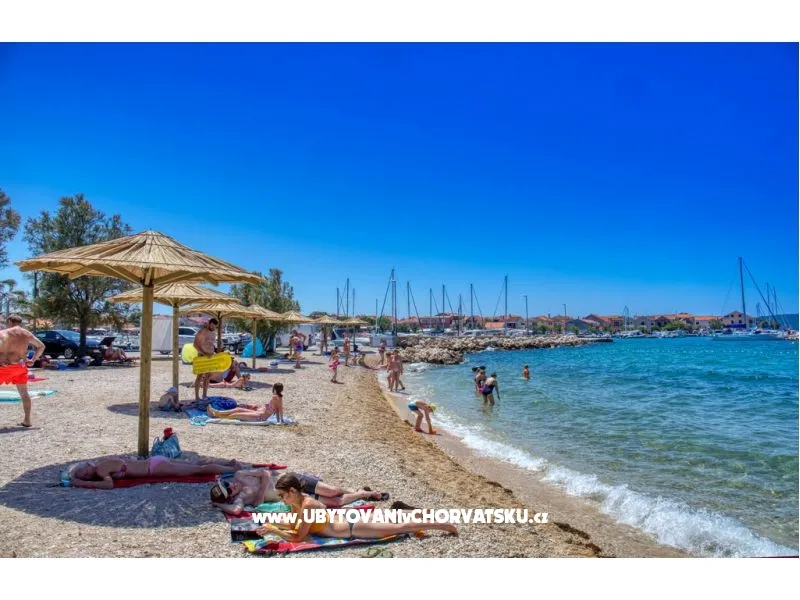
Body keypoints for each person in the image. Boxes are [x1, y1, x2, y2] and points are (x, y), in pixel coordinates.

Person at [255, 472, 457, 541]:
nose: (281, 500)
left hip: (352, 528)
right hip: (348, 519)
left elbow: (299, 537)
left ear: (292, 491)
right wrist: (271, 523)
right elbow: (294, 525)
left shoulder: (307, 506)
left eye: (282, 495)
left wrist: (274, 530)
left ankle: (442, 525)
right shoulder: (297, 503)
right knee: (391, 518)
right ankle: (420, 514)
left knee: (400, 528)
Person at [68, 456, 247, 489]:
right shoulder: (103, 464)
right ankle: (227, 463)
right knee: (194, 465)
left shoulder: (101, 469)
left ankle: (233, 469)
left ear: (87, 465)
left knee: (198, 470)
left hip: (154, 468)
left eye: (84, 473)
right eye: (85, 477)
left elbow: (109, 485)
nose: (87, 476)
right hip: (155, 462)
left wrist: (81, 483)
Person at [0, 314, 46, 428]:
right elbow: (41, 346)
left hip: (4, 367)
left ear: (10, 322)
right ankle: (27, 420)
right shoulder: (27, 334)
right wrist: (33, 359)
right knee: (24, 394)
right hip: (19, 366)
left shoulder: (3, 333)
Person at [294, 471, 389, 507]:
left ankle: (355, 492)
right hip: (293, 494)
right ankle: (361, 494)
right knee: (337, 502)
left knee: (333, 491)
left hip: (295, 481)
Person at [210, 467, 280, 516]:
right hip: (281, 496)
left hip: (280, 480)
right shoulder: (240, 497)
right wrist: (218, 504)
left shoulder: (239, 475)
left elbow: (265, 472)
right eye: (229, 491)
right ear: (230, 497)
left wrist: (261, 494)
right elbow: (235, 510)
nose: (230, 487)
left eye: (226, 484)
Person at [207, 384, 283, 422]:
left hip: (260, 417)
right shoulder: (277, 397)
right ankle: (217, 412)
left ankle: (216, 415)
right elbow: (278, 410)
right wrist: (278, 420)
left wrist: (280, 420)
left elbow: (280, 409)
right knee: (238, 409)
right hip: (258, 413)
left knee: (236, 415)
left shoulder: (275, 398)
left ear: (274, 389)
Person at [193, 318, 218, 402]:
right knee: (199, 376)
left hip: (210, 357)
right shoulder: (202, 332)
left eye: (214, 326)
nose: (213, 327)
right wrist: (204, 353)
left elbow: (211, 345)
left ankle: (204, 395)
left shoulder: (214, 333)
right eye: (212, 326)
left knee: (208, 377)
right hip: (202, 357)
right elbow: (195, 345)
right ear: (209, 323)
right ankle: (197, 397)